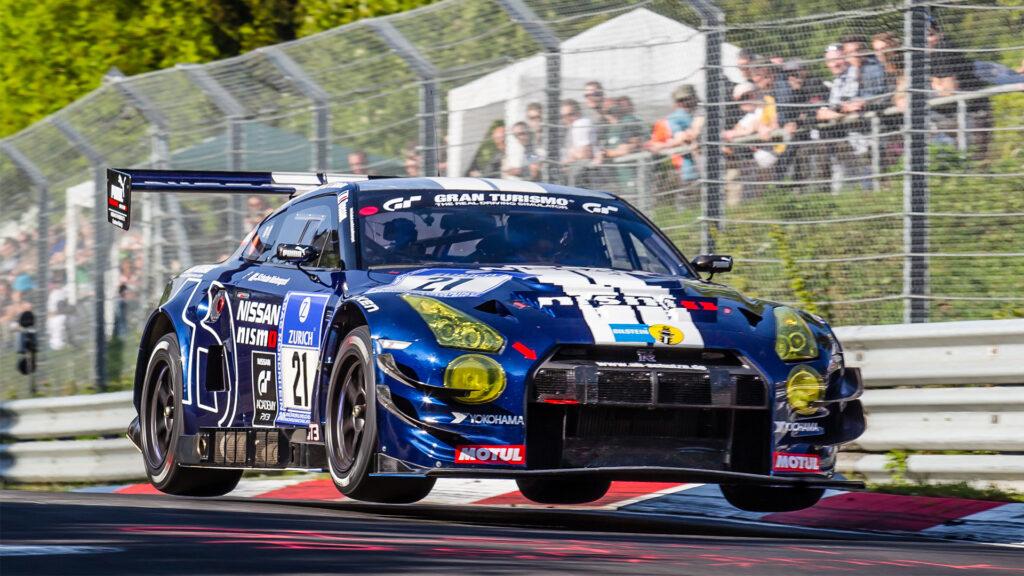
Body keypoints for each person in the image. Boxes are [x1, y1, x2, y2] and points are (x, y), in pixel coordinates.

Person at [648, 85, 704, 189]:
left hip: (707, 156)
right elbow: (681, 137)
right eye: (680, 100)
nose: (684, 103)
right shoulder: (678, 116)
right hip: (689, 165)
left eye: (687, 99)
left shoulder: (702, 109)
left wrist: (662, 146)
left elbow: (691, 134)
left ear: (694, 97)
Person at [560, 99, 595, 163]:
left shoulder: (581, 124)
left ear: (579, 113)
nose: (566, 119)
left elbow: (584, 155)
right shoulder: (569, 129)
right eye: (563, 116)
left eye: (570, 115)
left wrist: (572, 154)